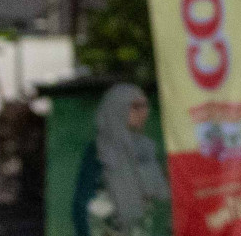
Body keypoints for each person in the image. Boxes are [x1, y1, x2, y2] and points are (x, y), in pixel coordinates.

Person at [71, 83, 170, 236]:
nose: (144, 112)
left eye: (145, 106)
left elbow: (158, 194)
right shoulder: (100, 150)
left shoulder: (144, 148)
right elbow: (82, 204)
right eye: (136, 106)